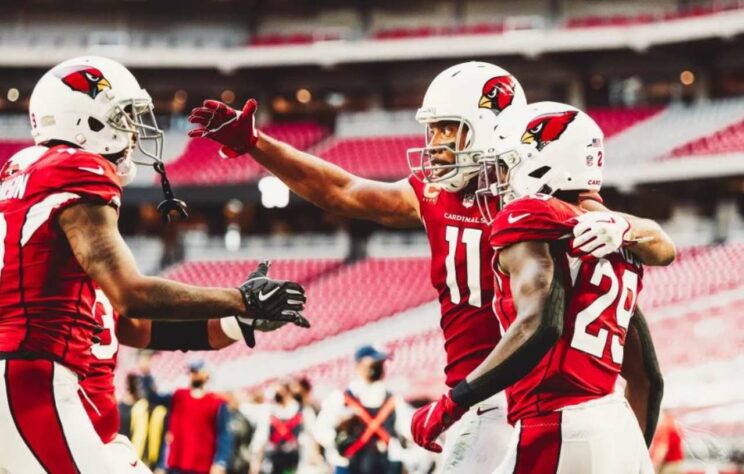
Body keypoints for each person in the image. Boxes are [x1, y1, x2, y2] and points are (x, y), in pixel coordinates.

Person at [189, 61, 675, 472]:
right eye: (434, 128)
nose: (438, 142)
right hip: (506, 402)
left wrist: (625, 227)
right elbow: (343, 190)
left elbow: (635, 246)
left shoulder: (543, 201)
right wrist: (257, 144)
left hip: (511, 404)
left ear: (493, 127)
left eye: (450, 128)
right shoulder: (448, 197)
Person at [0, 55, 308, 474]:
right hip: (34, 383)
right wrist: (240, 299)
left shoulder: (44, 229)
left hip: (59, 399)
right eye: (123, 118)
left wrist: (239, 320)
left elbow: (137, 325)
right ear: (86, 122)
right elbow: (134, 294)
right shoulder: (74, 171)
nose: (132, 132)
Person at [410, 102, 661, 473]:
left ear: (542, 161)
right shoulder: (616, 234)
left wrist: (453, 403)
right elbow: (648, 379)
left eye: (506, 164)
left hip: (557, 424)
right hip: (618, 425)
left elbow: (540, 324)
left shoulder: (531, 214)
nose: (498, 179)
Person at [314, 345, 412, 474]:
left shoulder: (394, 400)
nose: (378, 368)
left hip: (385, 465)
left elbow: (407, 432)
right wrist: (338, 439)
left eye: (380, 364)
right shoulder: (340, 398)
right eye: (373, 364)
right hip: (350, 466)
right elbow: (321, 430)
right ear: (359, 366)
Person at [157, 361, 233, 474]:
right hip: (176, 464)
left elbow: (224, 434)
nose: (193, 375)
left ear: (206, 374)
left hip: (202, 466)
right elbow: (153, 397)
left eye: (196, 372)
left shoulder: (216, 402)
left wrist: (220, 462)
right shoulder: (178, 396)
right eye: (192, 372)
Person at [249, 381, 317, 474]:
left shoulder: (302, 411)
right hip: (274, 458)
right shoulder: (268, 412)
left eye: (282, 392)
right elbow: (260, 438)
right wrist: (255, 462)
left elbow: (310, 436)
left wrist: (312, 457)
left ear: (288, 392)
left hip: (294, 458)